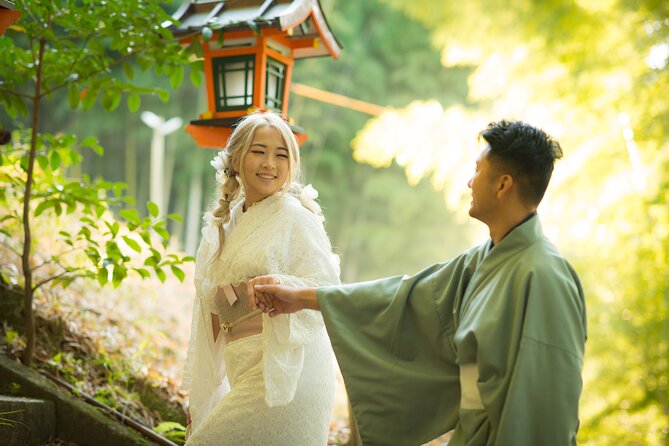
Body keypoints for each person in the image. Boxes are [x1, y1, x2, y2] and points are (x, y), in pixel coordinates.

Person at [251, 120, 587, 446]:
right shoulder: (482, 259)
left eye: (478, 171)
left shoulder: (545, 275)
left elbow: (548, 404)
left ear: (503, 184)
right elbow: (402, 297)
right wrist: (300, 298)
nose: (470, 182)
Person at [183, 111, 340, 445]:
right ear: (236, 158)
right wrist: (205, 391)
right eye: (259, 151)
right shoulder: (221, 226)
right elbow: (208, 311)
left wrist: (282, 287)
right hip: (244, 365)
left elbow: (328, 290)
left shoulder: (297, 218)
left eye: (281, 154)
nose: (270, 162)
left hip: (289, 368)